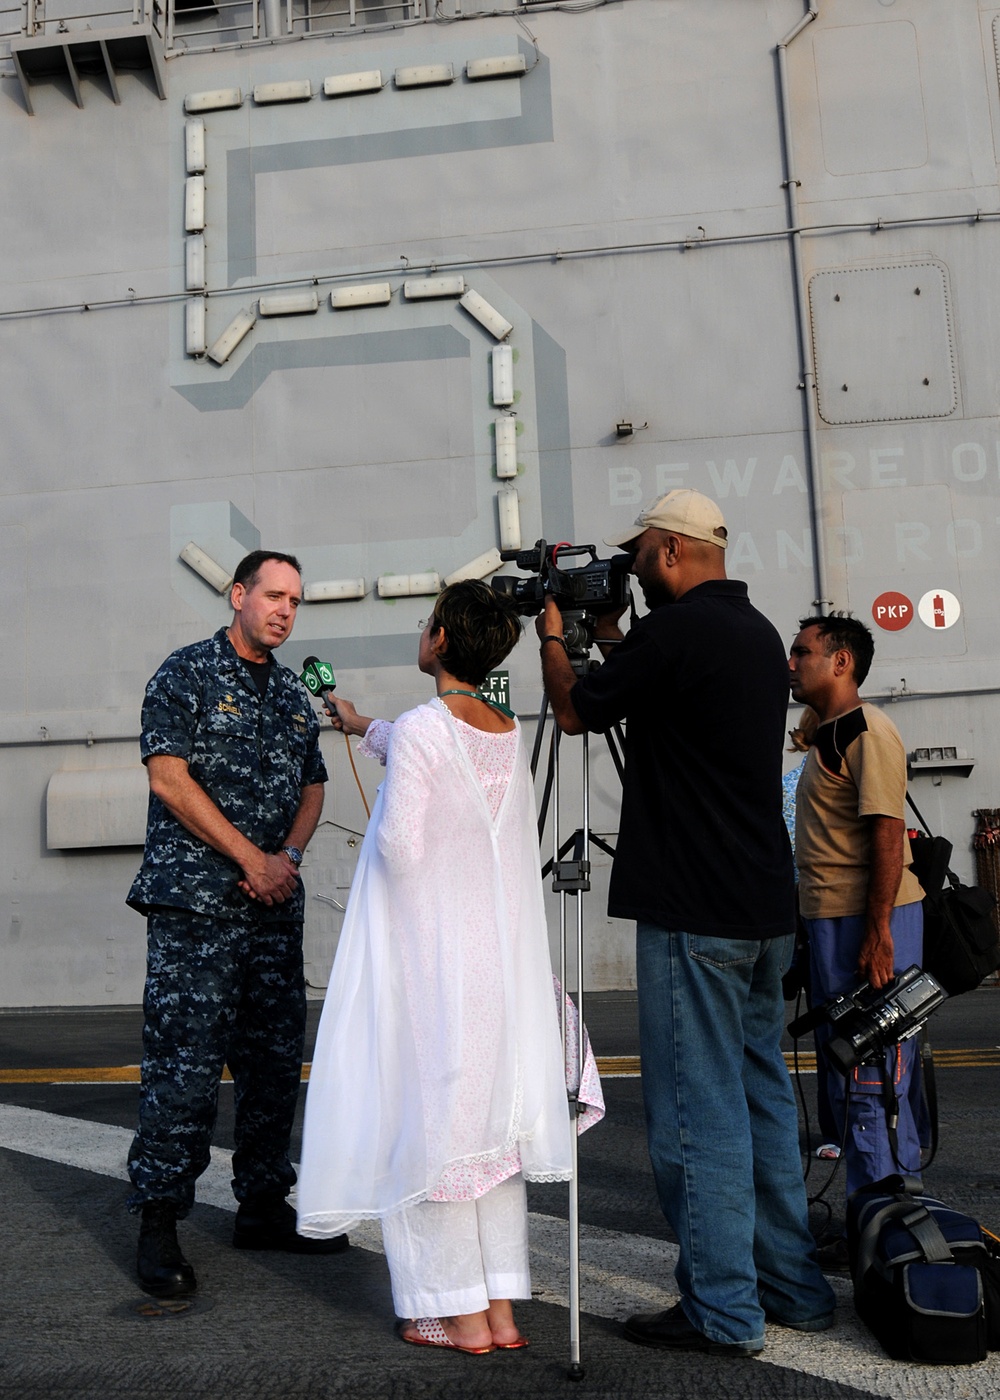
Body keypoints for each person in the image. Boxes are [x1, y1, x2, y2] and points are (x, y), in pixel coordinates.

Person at [537, 488, 835, 1355]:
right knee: (761, 1102)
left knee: (693, 1117)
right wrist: (613, 635)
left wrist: (557, 633)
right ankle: (793, 1288)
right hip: (759, 906)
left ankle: (724, 1312)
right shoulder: (754, 634)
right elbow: (653, 684)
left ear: (671, 551)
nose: (631, 572)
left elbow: (573, 710)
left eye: (638, 558)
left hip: (691, 912)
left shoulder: (673, 634)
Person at [296, 580, 602, 1354]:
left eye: (428, 621)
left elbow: (400, 844)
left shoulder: (431, 730)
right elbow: (419, 744)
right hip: (495, 967)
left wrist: (388, 794)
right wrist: (367, 729)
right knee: (488, 1136)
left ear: (439, 641)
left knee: (427, 1127)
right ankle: (499, 1308)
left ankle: (453, 1311)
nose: (423, 629)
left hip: (433, 964)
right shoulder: (499, 726)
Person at [126, 550, 346, 1299]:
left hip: (271, 911)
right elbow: (168, 776)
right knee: (184, 1071)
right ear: (238, 594)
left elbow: (314, 787)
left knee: (273, 1066)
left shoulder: (290, 696)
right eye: (274, 595)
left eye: (296, 600)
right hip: (198, 909)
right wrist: (251, 858)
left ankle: (261, 1205)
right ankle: (158, 1219)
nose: (286, 609)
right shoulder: (184, 673)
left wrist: (284, 855)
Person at [788, 613, 925, 1254]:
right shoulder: (830, 732)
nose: (792, 663)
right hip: (831, 920)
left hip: (866, 920)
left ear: (841, 662)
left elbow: (886, 835)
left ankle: (885, 1225)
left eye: (804, 653)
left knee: (872, 1074)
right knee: (846, 1073)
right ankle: (869, 1214)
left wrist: (877, 935)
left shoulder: (872, 733)